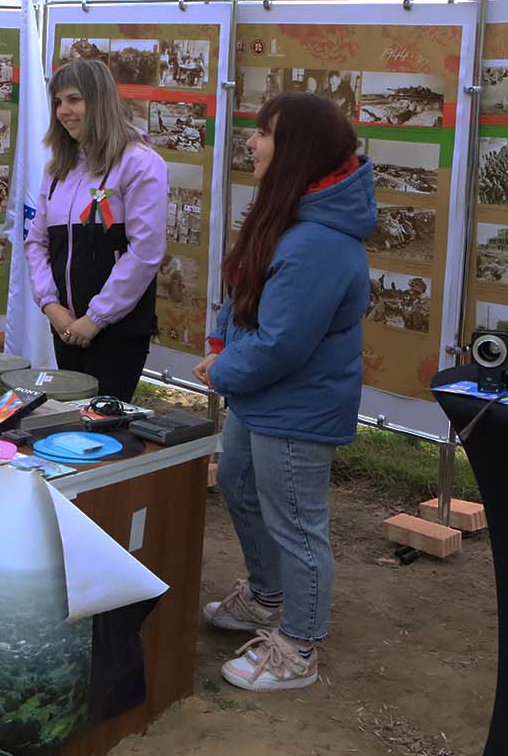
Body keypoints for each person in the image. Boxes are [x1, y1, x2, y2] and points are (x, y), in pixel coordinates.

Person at [192, 92, 376, 692]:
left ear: (296, 149)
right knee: (240, 482)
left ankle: (299, 647)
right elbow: (245, 289)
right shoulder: (291, 216)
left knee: (297, 523)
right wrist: (221, 345)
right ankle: (266, 596)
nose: (252, 143)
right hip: (264, 397)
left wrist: (224, 371)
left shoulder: (318, 241)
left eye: (265, 133)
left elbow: (281, 343)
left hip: (296, 406)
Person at [24, 58, 168, 397]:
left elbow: (145, 252)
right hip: (65, 327)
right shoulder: (57, 168)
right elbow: (37, 242)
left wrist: (95, 319)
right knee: (67, 420)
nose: (64, 111)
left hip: (116, 332)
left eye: (74, 99)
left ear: (99, 101)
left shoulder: (141, 163)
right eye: (58, 102)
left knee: (100, 424)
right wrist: (51, 306)